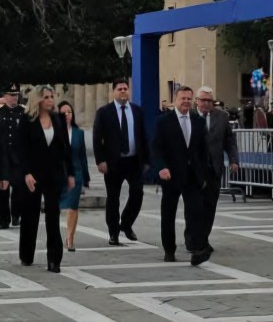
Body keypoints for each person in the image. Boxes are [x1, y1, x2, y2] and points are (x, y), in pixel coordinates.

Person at [17, 85, 74, 273]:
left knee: (53, 216)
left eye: (52, 97)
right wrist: (26, 173)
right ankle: (26, 254)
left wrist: (70, 173)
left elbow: (66, 149)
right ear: (38, 100)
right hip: (33, 175)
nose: (50, 100)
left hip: (53, 175)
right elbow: (21, 149)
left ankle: (54, 260)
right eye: (46, 97)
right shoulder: (27, 120)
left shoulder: (58, 119)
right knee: (30, 215)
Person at [153, 86, 211, 265]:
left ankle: (198, 249)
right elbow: (156, 147)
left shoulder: (198, 121)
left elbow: (203, 150)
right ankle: (169, 249)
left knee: (197, 211)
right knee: (168, 213)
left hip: (192, 175)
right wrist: (161, 167)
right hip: (171, 175)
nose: (186, 101)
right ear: (175, 100)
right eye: (182, 98)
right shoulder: (163, 121)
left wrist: (203, 173)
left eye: (188, 99)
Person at [93, 78, 149, 245]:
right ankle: (113, 232)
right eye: (120, 89)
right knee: (113, 198)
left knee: (137, 193)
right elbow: (97, 138)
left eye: (125, 88)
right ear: (114, 92)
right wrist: (100, 160)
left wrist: (146, 160)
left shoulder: (137, 111)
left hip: (133, 161)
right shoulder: (104, 112)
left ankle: (126, 223)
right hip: (113, 162)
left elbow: (143, 136)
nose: (123, 91)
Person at [185, 86, 239, 252]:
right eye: (203, 100)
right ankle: (191, 238)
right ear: (197, 101)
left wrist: (233, 160)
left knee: (209, 206)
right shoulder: (188, 116)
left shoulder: (221, 116)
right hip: (193, 170)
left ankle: (203, 239)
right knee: (193, 206)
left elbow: (229, 140)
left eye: (210, 101)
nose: (207, 103)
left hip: (213, 168)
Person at [57, 101, 86, 252]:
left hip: (76, 174)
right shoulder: (52, 131)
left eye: (69, 112)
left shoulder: (78, 133)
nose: (67, 115)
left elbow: (82, 156)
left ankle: (70, 238)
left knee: (72, 207)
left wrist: (86, 178)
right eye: (64, 113)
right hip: (57, 174)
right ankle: (56, 237)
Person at [0, 83, 25, 228]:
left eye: (16, 95)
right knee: (3, 190)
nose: (15, 98)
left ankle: (16, 214)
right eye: (12, 95)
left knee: (19, 188)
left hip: (18, 158)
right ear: (5, 96)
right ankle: (4, 219)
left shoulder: (23, 113)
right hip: (3, 157)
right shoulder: (0, 113)